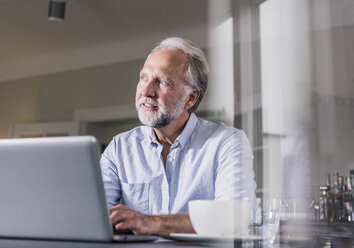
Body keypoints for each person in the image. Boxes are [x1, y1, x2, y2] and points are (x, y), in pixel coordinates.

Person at [100, 37, 256, 237]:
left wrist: (150, 222)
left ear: (191, 98)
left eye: (162, 82)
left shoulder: (226, 142)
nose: (146, 91)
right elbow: (94, 215)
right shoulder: (119, 147)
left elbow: (237, 218)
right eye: (144, 78)